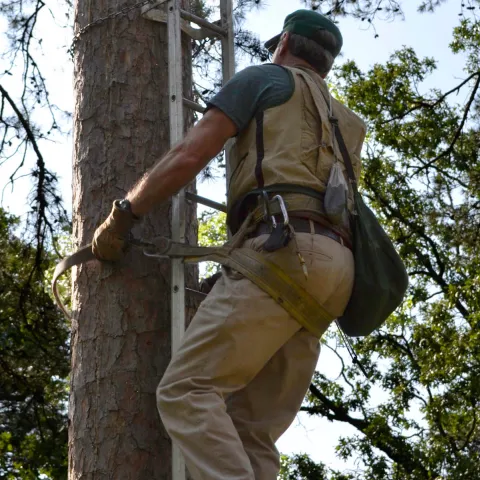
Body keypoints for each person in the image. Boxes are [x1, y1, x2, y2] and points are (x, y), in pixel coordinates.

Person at [92, 9, 366, 480]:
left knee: (187, 390)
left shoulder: (265, 78)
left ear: (282, 44)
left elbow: (189, 154)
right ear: (326, 64)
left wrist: (123, 214)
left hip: (284, 250)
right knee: (249, 432)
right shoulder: (346, 122)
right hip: (337, 273)